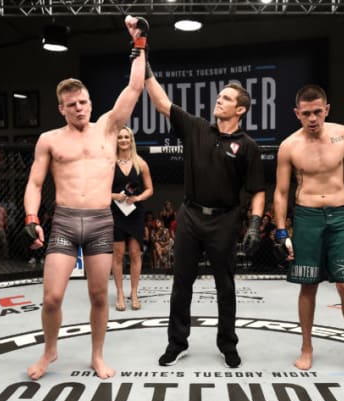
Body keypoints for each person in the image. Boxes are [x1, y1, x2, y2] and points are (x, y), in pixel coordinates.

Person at [21, 16, 148, 380]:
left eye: (83, 101)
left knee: (98, 297)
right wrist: (31, 218)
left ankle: (96, 355)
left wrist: (139, 43)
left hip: (98, 222)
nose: (79, 107)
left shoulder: (108, 129)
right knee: (52, 298)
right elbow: (34, 183)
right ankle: (49, 352)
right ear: (61, 108)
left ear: (90, 103)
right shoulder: (49, 140)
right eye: (72, 104)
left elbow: (135, 88)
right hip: (63, 220)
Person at [145, 64, 266, 368]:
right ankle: (177, 343)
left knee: (225, 286)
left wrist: (253, 225)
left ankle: (227, 344)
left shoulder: (248, 147)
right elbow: (160, 101)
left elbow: (257, 190)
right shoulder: (196, 127)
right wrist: (144, 63)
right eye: (219, 97)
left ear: (240, 109)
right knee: (181, 283)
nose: (218, 100)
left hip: (225, 220)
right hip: (190, 215)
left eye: (226, 98)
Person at [273, 84, 344, 379]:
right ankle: (306, 348)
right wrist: (281, 230)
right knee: (309, 285)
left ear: (326, 109)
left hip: (339, 215)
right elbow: (280, 192)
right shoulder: (289, 146)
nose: (313, 118)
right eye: (306, 113)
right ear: (297, 114)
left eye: (318, 111)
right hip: (306, 217)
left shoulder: (343, 134)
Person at [111, 126, 154, 311]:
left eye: (126, 137)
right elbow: (100, 190)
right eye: (120, 137)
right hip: (116, 214)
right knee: (118, 255)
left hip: (135, 214)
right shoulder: (109, 163)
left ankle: (134, 293)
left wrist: (137, 198)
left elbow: (150, 189)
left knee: (136, 254)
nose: (123, 140)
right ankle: (120, 293)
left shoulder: (140, 163)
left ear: (131, 140)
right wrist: (115, 196)